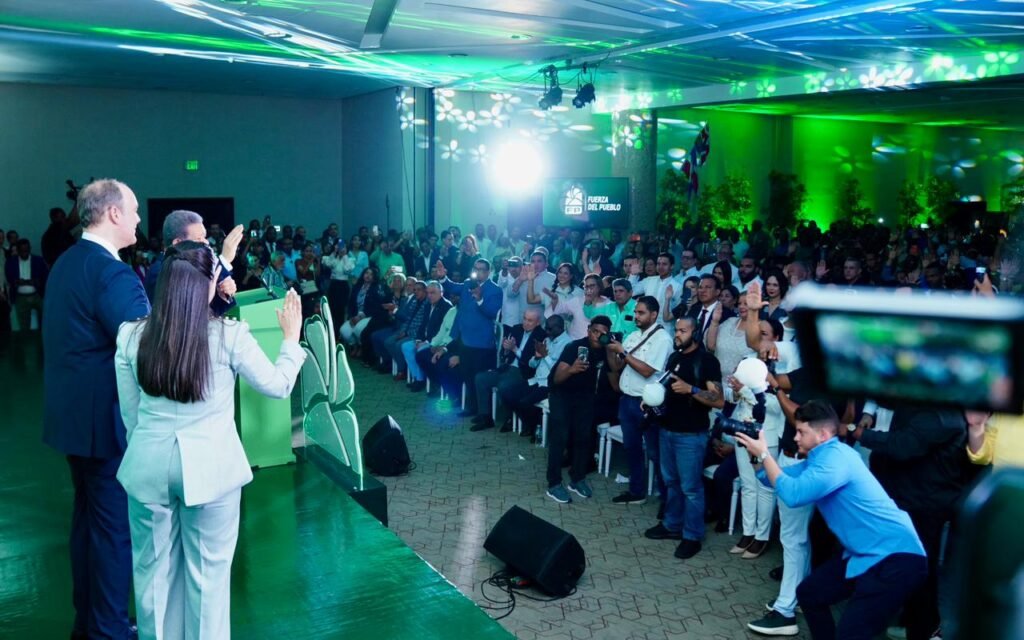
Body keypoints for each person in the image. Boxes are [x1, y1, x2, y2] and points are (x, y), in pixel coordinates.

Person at [114, 243, 304, 639]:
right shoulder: (228, 335)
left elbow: (132, 417)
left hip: (148, 466)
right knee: (208, 582)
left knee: (152, 580)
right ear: (206, 285)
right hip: (211, 472)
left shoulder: (131, 336)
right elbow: (277, 385)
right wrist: (290, 339)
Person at [43, 179, 151, 640]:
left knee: (87, 523)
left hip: (71, 419)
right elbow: (144, 345)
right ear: (112, 213)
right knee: (112, 532)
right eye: (133, 209)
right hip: (104, 422)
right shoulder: (112, 273)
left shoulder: (67, 262)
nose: (139, 218)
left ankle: (89, 621)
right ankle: (109, 629)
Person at [736, 401, 927, 640]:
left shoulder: (836, 459)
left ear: (823, 434)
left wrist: (765, 453)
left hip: (895, 557)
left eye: (801, 432)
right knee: (810, 594)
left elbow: (793, 495)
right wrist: (755, 455)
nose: (795, 437)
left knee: (850, 635)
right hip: (865, 553)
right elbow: (772, 478)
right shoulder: (819, 458)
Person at [642, 316, 723, 559]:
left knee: (691, 488)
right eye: (676, 330)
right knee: (671, 482)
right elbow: (666, 388)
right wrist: (651, 401)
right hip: (667, 429)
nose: (677, 334)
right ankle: (672, 525)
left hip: (691, 435)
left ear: (695, 333)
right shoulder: (674, 357)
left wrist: (691, 389)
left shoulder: (707, 361)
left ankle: (692, 536)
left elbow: (718, 400)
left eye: (683, 331)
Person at [605, 296, 674, 505]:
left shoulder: (663, 339)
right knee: (631, 447)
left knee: (655, 452)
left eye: (641, 313)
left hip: (647, 403)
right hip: (627, 399)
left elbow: (646, 371)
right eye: (635, 312)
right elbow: (617, 367)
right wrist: (610, 349)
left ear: (654, 314)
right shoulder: (633, 335)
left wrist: (623, 352)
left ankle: (667, 500)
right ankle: (636, 491)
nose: (636, 316)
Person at [545, 315, 614, 503]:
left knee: (583, 438)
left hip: (585, 397)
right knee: (560, 438)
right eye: (594, 331)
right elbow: (557, 378)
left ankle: (577, 478)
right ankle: (553, 483)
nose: (597, 336)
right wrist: (572, 369)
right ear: (588, 330)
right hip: (561, 395)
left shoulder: (606, 350)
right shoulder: (574, 347)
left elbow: (615, 379)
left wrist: (612, 351)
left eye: (602, 333)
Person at [435, 258, 502, 417]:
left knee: (478, 377)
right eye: (475, 268)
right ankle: (471, 408)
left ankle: (483, 413)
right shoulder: (467, 284)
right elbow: (452, 287)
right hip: (464, 339)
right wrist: (443, 277)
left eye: (481, 269)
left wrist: (479, 299)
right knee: (467, 374)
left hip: (481, 343)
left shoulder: (495, 289)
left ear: (488, 272)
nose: (478, 272)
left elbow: (492, 312)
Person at [470, 308, 545, 432]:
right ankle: (485, 417)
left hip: (523, 372)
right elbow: (505, 354)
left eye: (530, 321)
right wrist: (506, 350)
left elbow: (531, 362)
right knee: (481, 378)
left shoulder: (541, 336)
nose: (526, 323)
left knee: (504, 386)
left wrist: (514, 349)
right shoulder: (517, 329)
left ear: (538, 322)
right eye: (525, 319)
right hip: (507, 367)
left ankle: (509, 417)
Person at [5, 238, 49, 332]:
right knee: (24, 326)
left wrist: (37, 282)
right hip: (20, 297)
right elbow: (8, 278)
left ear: (30, 249)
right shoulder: (11, 262)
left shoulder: (38, 260)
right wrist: (16, 282)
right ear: (18, 250)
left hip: (38, 295)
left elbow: (45, 276)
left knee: (47, 319)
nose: (25, 253)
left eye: (27, 250)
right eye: (22, 251)